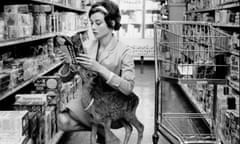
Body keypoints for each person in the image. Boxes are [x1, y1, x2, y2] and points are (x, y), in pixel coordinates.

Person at [57, 0, 135, 143]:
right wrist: (67, 64)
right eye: (91, 23)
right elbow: (67, 78)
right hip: (90, 99)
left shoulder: (124, 51)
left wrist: (99, 68)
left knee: (75, 116)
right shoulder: (86, 46)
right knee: (62, 121)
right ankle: (105, 133)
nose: (93, 27)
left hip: (112, 103)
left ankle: (102, 129)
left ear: (111, 22)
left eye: (98, 23)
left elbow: (128, 88)